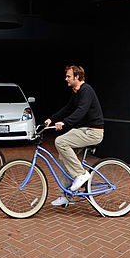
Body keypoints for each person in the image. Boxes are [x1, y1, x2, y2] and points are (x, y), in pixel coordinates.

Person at [44, 65, 104, 206]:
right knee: (63, 157)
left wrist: (64, 123)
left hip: (93, 132)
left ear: (77, 77)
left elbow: (81, 111)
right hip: (84, 130)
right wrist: (52, 119)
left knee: (60, 141)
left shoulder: (86, 91)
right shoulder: (76, 92)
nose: (66, 79)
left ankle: (81, 174)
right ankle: (65, 196)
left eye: (68, 76)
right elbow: (68, 108)